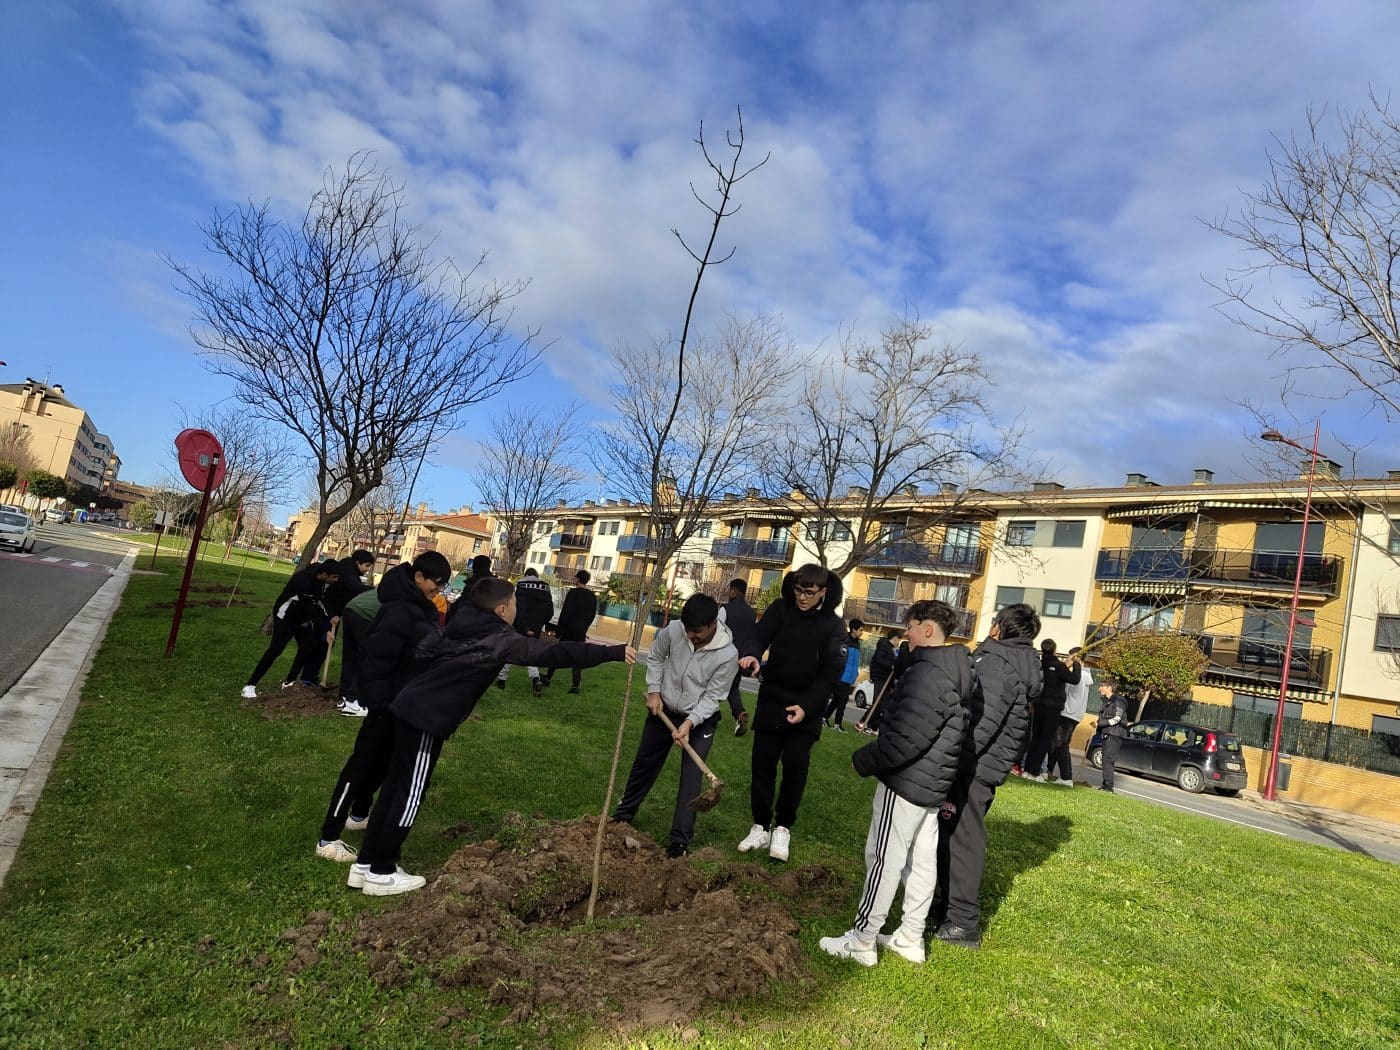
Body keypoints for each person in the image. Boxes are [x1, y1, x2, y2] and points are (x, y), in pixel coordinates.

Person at [349, 577, 635, 895]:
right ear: (501, 609)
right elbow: (554, 654)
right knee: (409, 793)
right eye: (514, 603)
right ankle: (382, 870)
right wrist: (612, 653)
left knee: (392, 789)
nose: (516, 608)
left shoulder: (463, 623)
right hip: (425, 718)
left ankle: (364, 866)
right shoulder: (498, 638)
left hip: (407, 708)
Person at [819, 600, 971, 966]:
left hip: (906, 784)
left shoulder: (928, 675)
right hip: (932, 786)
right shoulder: (956, 670)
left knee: (884, 858)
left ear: (928, 630)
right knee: (920, 863)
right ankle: (910, 936)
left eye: (912, 626)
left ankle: (862, 939)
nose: (907, 634)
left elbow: (906, 738)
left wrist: (864, 759)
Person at [314, 551, 452, 863]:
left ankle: (360, 814)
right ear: (419, 577)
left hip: (400, 704)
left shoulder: (417, 607)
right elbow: (376, 658)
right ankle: (328, 837)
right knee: (360, 767)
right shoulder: (400, 609)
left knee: (381, 766)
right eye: (437, 584)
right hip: (385, 704)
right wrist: (378, 703)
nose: (438, 590)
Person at [933, 602, 1043, 950]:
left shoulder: (998, 665)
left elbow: (980, 724)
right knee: (950, 835)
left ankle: (962, 923)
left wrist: (952, 759)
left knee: (964, 840)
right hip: (981, 766)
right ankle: (945, 905)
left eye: (993, 622)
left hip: (974, 768)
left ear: (999, 628)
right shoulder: (1012, 661)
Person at [735, 564, 847, 863]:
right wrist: (752, 653)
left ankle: (783, 827)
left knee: (795, 768)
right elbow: (758, 636)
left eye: (809, 593)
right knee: (762, 765)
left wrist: (807, 707)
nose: (802, 598)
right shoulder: (780, 609)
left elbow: (830, 674)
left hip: (806, 708)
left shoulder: (833, 626)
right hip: (773, 699)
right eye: (798, 590)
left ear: (823, 592)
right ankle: (760, 826)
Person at [611, 594, 738, 857]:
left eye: (697, 632)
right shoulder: (674, 630)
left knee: (691, 779)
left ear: (713, 623)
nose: (691, 636)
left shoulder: (727, 655)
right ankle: (623, 816)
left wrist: (690, 723)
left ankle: (679, 841)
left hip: (700, 718)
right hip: (664, 708)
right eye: (688, 630)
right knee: (644, 764)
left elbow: (714, 696)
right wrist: (655, 691)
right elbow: (656, 657)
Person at [242, 560, 341, 698]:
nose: (336, 580)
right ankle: (250, 686)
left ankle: (289, 682)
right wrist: (326, 630)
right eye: (334, 577)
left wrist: (329, 620)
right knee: (275, 650)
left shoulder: (319, 580)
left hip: (301, 618)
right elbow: (311, 609)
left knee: (308, 646)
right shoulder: (303, 582)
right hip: (285, 618)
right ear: (324, 574)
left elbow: (318, 603)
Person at [1022, 640, 1081, 782]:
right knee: (1045, 740)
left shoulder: (1040, 665)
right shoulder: (1059, 666)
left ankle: (1027, 769)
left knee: (1035, 738)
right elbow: (1074, 679)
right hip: (1053, 708)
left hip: (1038, 705)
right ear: (1054, 650)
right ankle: (1035, 772)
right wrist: (1077, 664)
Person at [496, 568, 554, 696]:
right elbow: (550, 611)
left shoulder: (521, 586)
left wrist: (524, 628)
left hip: (520, 626)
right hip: (536, 628)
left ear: (526, 575)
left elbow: (517, 608)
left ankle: (501, 680)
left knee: (509, 651)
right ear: (537, 575)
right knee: (531, 654)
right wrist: (539, 625)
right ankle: (535, 679)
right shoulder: (546, 589)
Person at [541, 570, 597, 694]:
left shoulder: (573, 593)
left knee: (558, 653)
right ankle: (575, 685)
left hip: (569, 629)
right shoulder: (592, 596)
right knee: (577, 657)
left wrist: (559, 631)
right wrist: (584, 627)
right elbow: (592, 615)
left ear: (578, 579)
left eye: (575, 577)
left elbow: (566, 612)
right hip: (580, 631)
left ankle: (548, 677)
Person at [1049, 647, 1092, 785]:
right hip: (1074, 714)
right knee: (1057, 743)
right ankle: (1049, 770)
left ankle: (1066, 777)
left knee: (1060, 744)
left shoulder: (1079, 675)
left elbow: (1067, 690)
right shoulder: (1086, 676)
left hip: (1068, 712)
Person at [721, 578, 757, 736]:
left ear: (733, 591)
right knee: (733, 687)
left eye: (730, 590)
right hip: (740, 658)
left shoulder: (725, 609)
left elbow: (717, 632)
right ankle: (739, 713)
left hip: (723, 655)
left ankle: (707, 716)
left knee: (709, 683)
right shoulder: (752, 613)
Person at [824, 618, 865, 732]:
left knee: (837, 700)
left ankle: (824, 717)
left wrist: (855, 673)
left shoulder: (857, 643)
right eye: (860, 630)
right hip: (842, 676)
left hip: (849, 677)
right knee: (842, 701)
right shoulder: (845, 641)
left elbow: (855, 662)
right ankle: (837, 724)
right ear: (853, 629)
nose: (862, 632)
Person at [1097, 677, 1128, 792]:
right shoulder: (1107, 701)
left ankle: (1109, 787)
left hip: (1115, 734)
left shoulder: (1118, 702)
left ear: (1109, 688)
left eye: (1102, 686)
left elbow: (1117, 718)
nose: (1100, 689)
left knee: (1108, 759)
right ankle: (1105, 785)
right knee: (1105, 759)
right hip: (1108, 732)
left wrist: (1101, 723)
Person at [446, 554, 494, 622]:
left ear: (475, 567)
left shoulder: (473, 585)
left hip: (469, 623)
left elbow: (462, 603)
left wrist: (452, 610)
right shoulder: (495, 585)